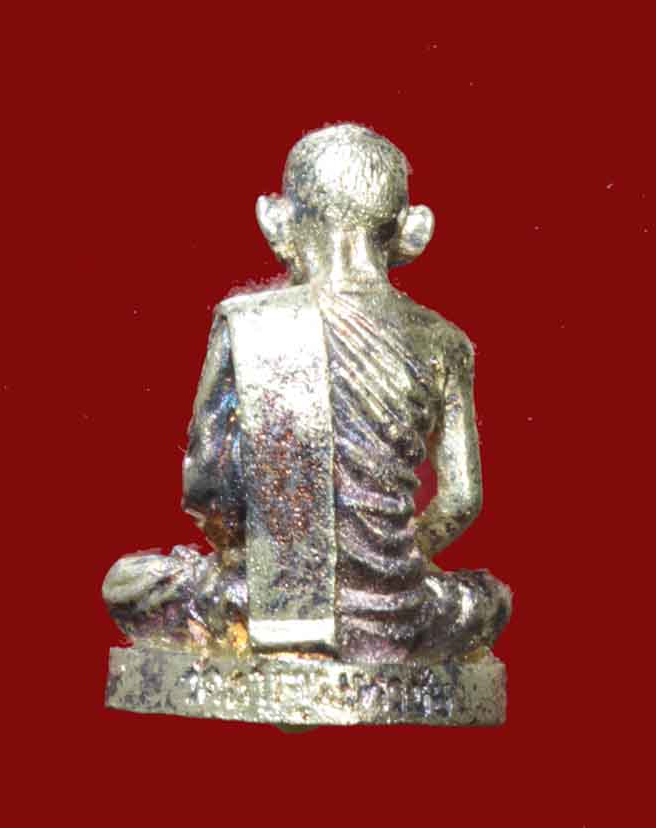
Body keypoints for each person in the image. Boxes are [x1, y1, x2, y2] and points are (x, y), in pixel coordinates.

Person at [103, 123, 511, 663]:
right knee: (488, 600)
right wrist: (392, 563)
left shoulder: (247, 322)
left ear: (278, 221)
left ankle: (274, 628)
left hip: (259, 600)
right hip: (397, 612)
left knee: (128, 583)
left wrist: (262, 560)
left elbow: (208, 488)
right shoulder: (444, 342)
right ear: (412, 229)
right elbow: (460, 501)